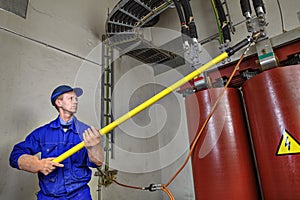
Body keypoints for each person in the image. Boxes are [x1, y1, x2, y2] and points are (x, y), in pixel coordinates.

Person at [9, 85, 104, 200]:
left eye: (76, 99)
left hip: (79, 195)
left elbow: (96, 163)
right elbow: (15, 156)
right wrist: (36, 164)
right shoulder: (43, 133)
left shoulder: (86, 132)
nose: (75, 102)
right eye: (71, 98)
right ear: (59, 102)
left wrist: (95, 147)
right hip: (50, 196)